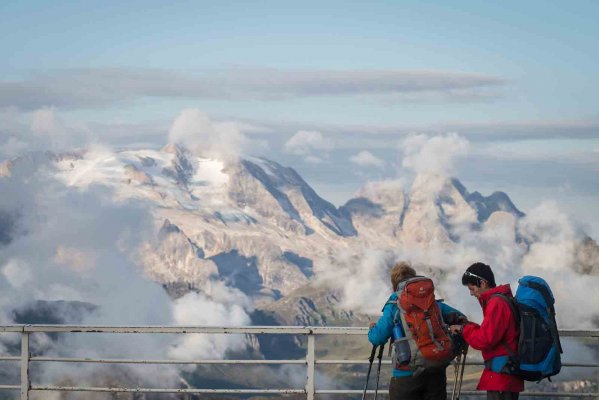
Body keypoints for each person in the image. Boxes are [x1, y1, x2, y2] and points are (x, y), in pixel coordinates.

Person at [368, 261, 465, 400]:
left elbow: (377, 337)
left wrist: (371, 329)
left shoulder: (395, 302)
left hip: (406, 375)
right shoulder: (431, 302)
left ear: (395, 284)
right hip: (436, 370)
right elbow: (460, 318)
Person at [449, 262, 524, 400]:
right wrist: (468, 326)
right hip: (506, 373)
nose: (471, 293)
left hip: (501, 376)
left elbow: (485, 339)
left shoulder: (497, 303)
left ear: (483, 283)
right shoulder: (501, 299)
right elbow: (491, 332)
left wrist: (463, 329)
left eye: (472, 288)